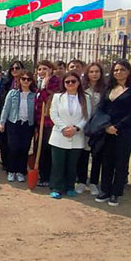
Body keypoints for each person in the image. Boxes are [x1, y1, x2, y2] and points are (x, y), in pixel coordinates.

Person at [95, 60, 131, 206]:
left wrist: (117, 127)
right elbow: (100, 108)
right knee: (107, 160)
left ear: (128, 72)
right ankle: (105, 190)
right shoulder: (108, 88)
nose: (118, 72)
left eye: (122, 69)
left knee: (121, 162)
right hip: (107, 130)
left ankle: (116, 192)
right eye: (116, 70)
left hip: (125, 130)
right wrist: (107, 126)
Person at [48, 71, 91, 199]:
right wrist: (63, 128)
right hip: (59, 135)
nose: (70, 83)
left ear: (78, 83)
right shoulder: (57, 97)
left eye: (73, 81)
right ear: (64, 84)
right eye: (67, 82)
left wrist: (76, 128)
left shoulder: (85, 98)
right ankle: (56, 187)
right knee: (58, 164)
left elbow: (87, 116)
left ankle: (70, 187)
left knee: (72, 164)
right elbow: (53, 114)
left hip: (77, 135)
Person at [0, 70, 36, 183]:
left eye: (28, 79)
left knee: (24, 148)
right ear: (19, 80)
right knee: (13, 148)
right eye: (23, 79)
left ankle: (21, 171)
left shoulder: (34, 95)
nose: (26, 81)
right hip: (14, 123)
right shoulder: (13, 93)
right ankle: (11, 170)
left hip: (27, 125)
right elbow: (6, 108)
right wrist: (2, 122)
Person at [77, 62, 106, 195]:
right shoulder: (82, 88)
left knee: (97, 155)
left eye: (97, 71)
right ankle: (82, 181)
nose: (94, 74)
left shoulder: (105, 89)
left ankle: (93, 182)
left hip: (99, 127)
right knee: (83, 155)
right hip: (84, 125)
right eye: (91, 72)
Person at [34, 60, 62, 187]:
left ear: (51, 69)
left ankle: (48, 177)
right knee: (39, 149)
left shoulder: (55, 82)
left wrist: (45, 88)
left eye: (45, 69)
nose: (42, 71)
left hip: (49, 122)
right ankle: (43, 174)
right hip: (39, 122)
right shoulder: (39, 82)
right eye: (40, 69)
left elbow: (50, 100)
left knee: (46, 150)